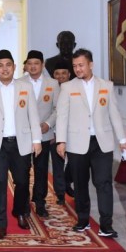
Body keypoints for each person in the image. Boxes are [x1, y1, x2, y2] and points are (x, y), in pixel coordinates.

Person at [55, 48, 126, 238]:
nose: (77, 69)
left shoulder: (107, 86)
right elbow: (62, 116)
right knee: (80, 184)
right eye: (75, 66)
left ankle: (106, 225)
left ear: (91, 65)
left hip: (101, 143)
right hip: (76, 143)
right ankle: (83, 220)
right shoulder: (67, 88)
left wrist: (122, 141)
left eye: (81, 65)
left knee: (103, 183)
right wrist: (61, 141)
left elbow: (114, 114)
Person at [0, 49, 42, 240]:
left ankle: (20, 211)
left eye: (8, 65)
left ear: (14, 67)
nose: (4, 69)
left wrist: (37, 140)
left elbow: (33, 115)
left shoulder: (25, 87)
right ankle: (0, 224)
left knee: (22, 181)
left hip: (20, 143)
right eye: (0, 66)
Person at [18, 50, 59, 218]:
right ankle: (24, 202)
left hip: (44, 134)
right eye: (30, 63)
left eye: (36, 63)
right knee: (23, 170)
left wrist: (48, 124)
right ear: (26, 65)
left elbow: (58, 108)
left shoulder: (53, 83)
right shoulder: (18, 83)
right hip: (23, 135)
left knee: (41, 170)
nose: (33, 66)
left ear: (42, 65)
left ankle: (40, 202)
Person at [50, 59, 75, 203]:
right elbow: (52, 113)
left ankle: (67, 181)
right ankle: (60, 194)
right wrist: (54, 133)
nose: (60, 77)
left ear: (69, 74)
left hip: (73, 134)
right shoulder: (51, 90)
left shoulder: (75, 89)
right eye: (57, 74)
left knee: (74, 163)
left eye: (64, 73)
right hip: (55, 134)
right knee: (58, 164)